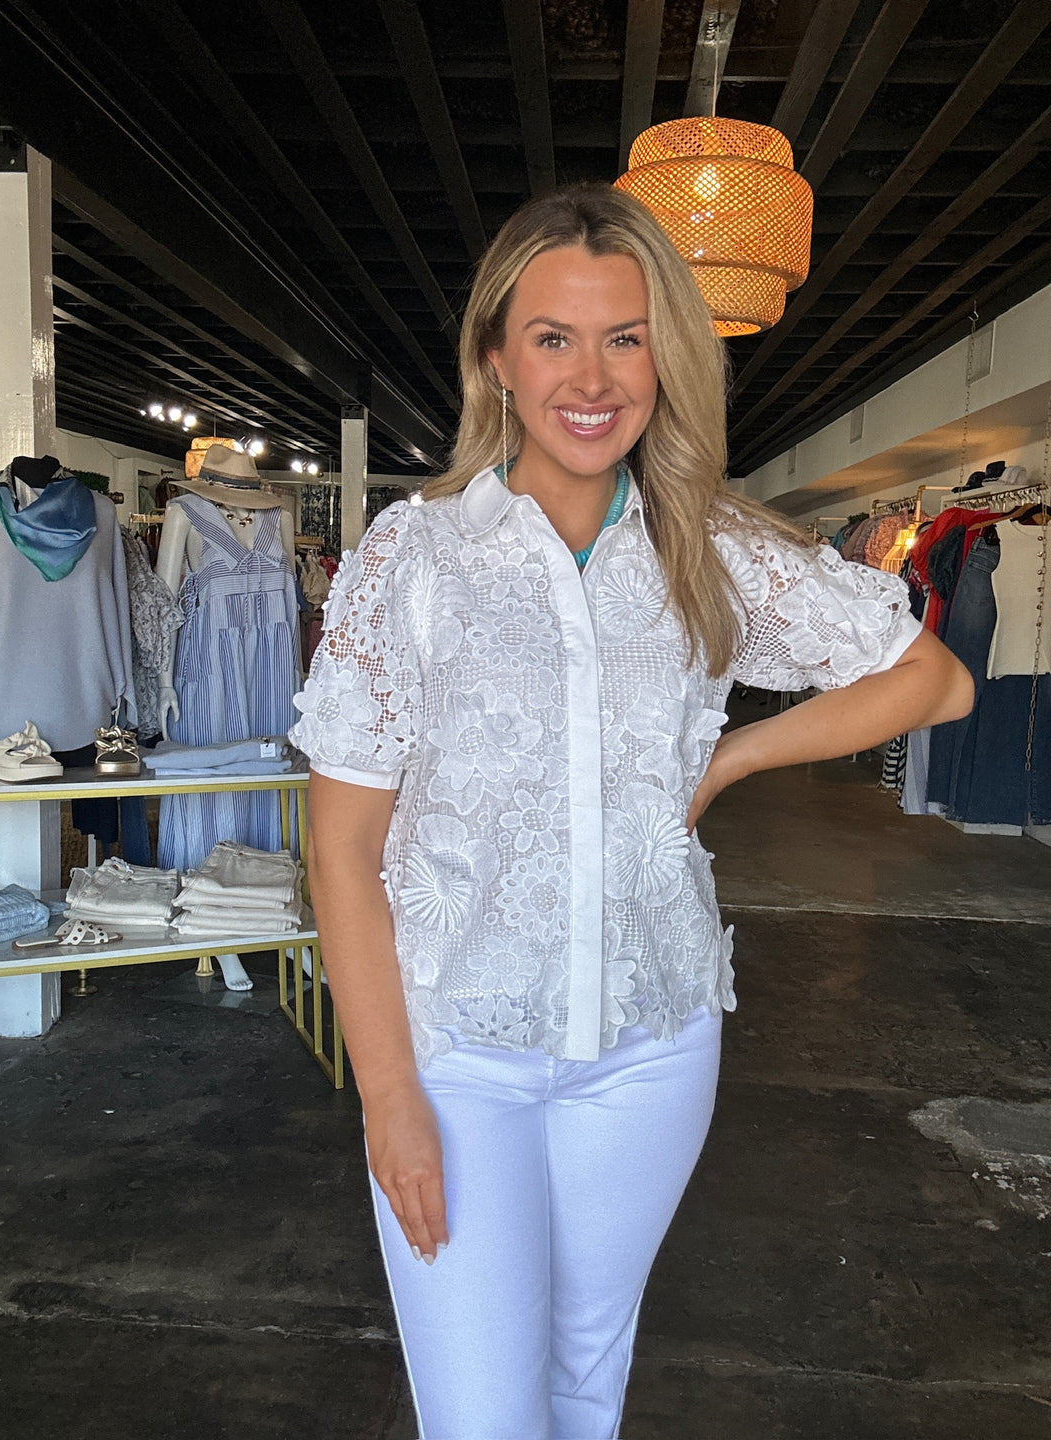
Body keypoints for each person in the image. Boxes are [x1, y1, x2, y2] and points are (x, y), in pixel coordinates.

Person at [290, 184, 973, 1440]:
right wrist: (389, 1095)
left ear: (670, 354)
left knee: (584, 1385)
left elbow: (934, 676)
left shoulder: (708, 545)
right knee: (485, 1418)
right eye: (554, 336)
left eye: (629, 335)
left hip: (654, 1045)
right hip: (461, 1061)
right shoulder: (416, 555)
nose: (592, 376)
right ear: (497, 355)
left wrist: (735, 757)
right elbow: (341, 845)